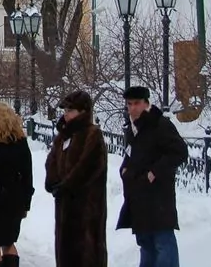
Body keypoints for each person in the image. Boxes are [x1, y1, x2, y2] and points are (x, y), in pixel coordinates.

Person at [117, 85, 189, 267]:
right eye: (129, 104)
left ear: (146, 103)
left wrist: (154, 172)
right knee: (146, 245)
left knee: (163, 245)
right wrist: (124, 170)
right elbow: (131, 154)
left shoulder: (160, 125)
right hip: (138, 197)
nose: (133, 108)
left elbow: (179, 152)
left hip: (158, 199)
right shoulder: (132, 128)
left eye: (137, 103)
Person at [44, 90, 108, 267]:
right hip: (64, 204)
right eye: (65, 110)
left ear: (83, 112)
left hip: (86, 205)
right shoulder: (63, 135)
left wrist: (66, 185)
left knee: (86, 253)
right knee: (66, 252)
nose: (66, 114)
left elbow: (87, 166)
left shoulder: (92, 134)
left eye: (71, 110)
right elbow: (52, 161)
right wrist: (53, 182)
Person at [0, 101, 34, 267]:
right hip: (15, 200)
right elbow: (28, 174)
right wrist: (26, 203)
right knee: (9, 242)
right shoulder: (21, 143)